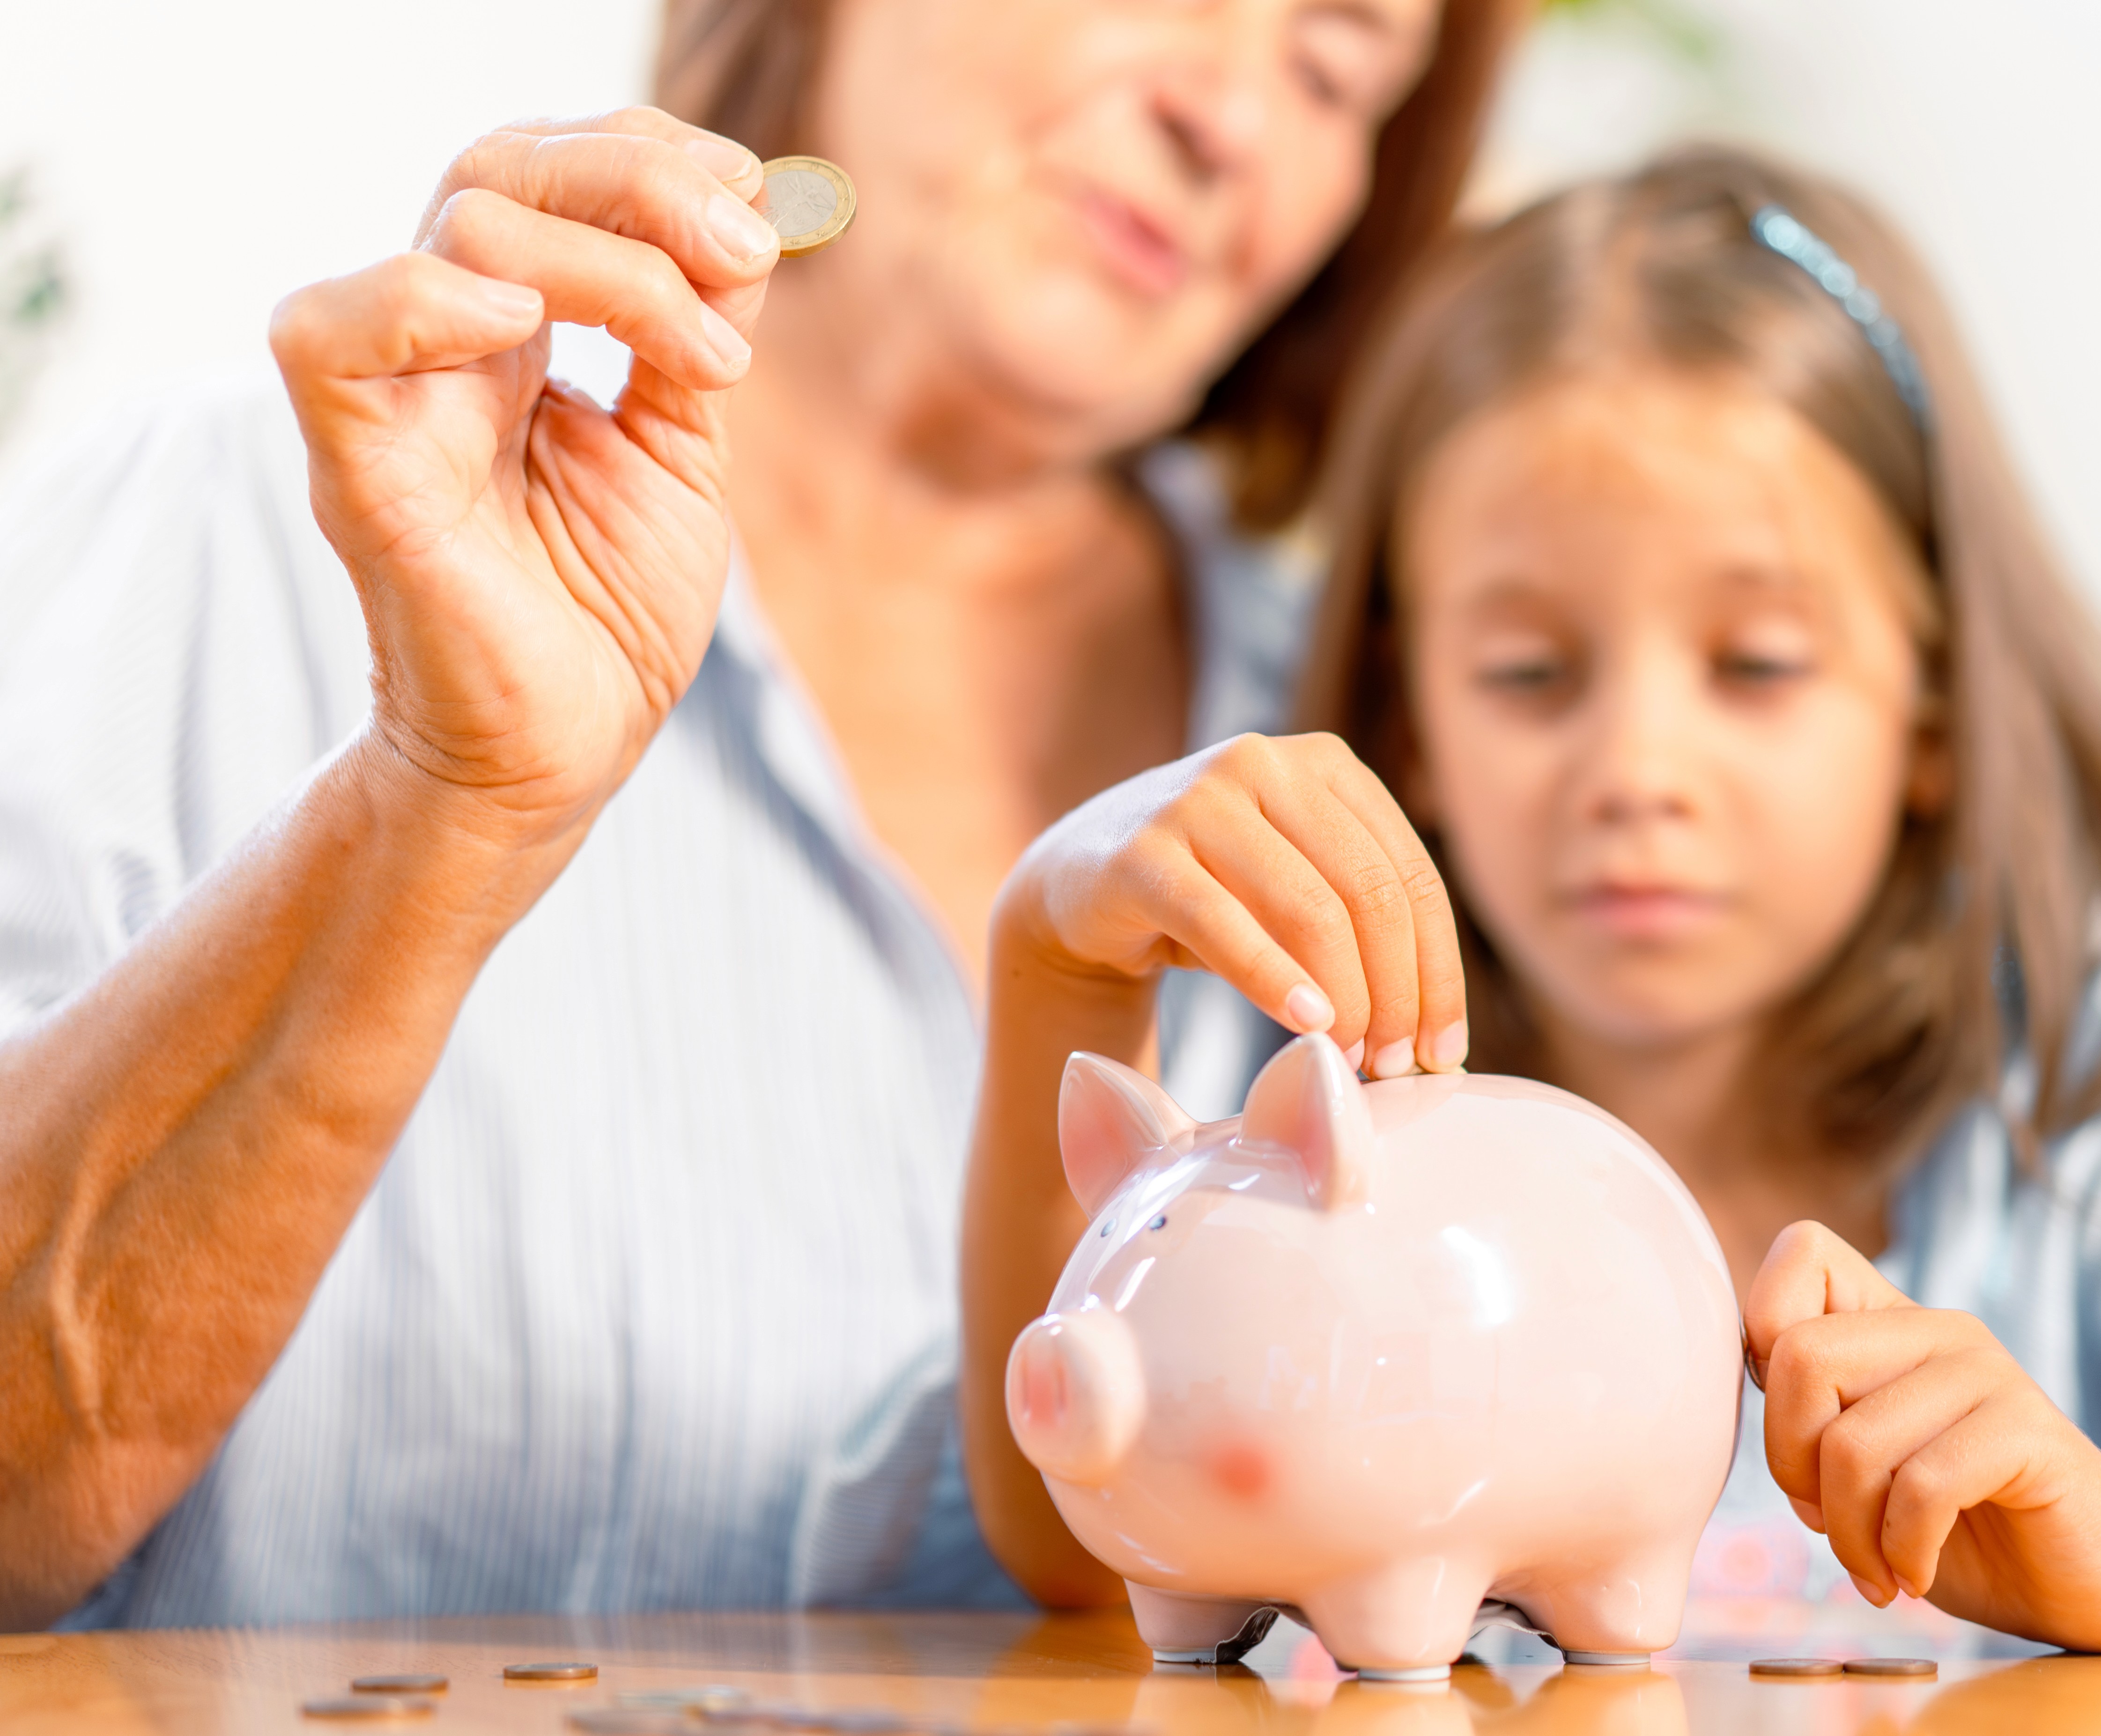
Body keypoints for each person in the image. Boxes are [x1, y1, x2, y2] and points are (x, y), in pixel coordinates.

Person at [0, 0, 1524, 1631]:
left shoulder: (1412, 728)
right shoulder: (241, 530)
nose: (1229, 114)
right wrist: (440, 802)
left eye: (1334, 67)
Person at [959, 145, 2101, 1647]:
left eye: (1755, 664)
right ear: (1412, 728)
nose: (1637, 771)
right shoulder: (1285, 1152)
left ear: (1933, 721)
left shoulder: (2062, 1140)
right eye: (1530, 672)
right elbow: (1076, 1529)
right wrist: (1056, 961)